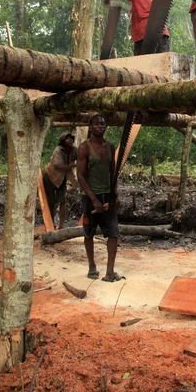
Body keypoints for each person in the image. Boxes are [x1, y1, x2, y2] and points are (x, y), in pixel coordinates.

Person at [76, 114, 123, 282]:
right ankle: (92, 266)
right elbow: (80, 176)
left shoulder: (110, 147)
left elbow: (112, 172)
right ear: (90, 127)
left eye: (102, 123)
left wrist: (113, 193)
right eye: (96, 124)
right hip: (90, 197)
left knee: (113, 233)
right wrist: (94, 199)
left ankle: (110, 272)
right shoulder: (84, 148)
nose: (100, 126)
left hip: (107, 195)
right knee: (89, 233)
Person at [103, 0, 170, 55]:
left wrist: (107, 0)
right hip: (162, 31)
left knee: (140, 64)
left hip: (143, 33)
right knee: (164, 61)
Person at [43, 131, 78, 229]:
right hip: (50, 177)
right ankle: (50, 224)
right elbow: (57, 165)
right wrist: (70, 165)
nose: (70, 140)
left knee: (62, 201)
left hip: (62, 179)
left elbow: (83, 155)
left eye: (71, 138)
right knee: (51, 202)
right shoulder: (58, 150)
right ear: (63, 141)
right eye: (68, 138)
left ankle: (61, 226)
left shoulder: (74, 150)